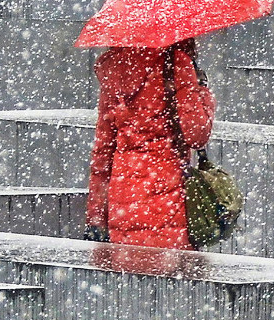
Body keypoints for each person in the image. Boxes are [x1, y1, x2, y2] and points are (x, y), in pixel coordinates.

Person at [85, 38, 215, 250]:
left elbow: (103, 151)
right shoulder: (176, 63)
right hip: (168, 198)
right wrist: (202, 92)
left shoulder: (116, 68)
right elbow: (196, 134)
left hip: (123, 202)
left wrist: (97, 215)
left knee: (129, 276)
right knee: (169, 277)